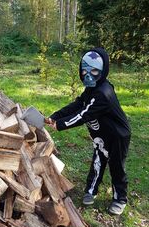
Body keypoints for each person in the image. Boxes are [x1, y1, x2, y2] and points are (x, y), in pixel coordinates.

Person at [47, 47, 131, 215]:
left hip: (117, 136)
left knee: (116, 167)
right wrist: (56, 116)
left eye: (94, 71)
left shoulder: (103, 93)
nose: (88, 75)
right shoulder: (91, 90)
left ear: (102, 71)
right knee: (98, 162)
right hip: (101, 135)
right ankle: (91, 190)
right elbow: (78, 104)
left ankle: (120, 198)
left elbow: (83, 114)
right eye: (85, 70)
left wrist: (61, 125)